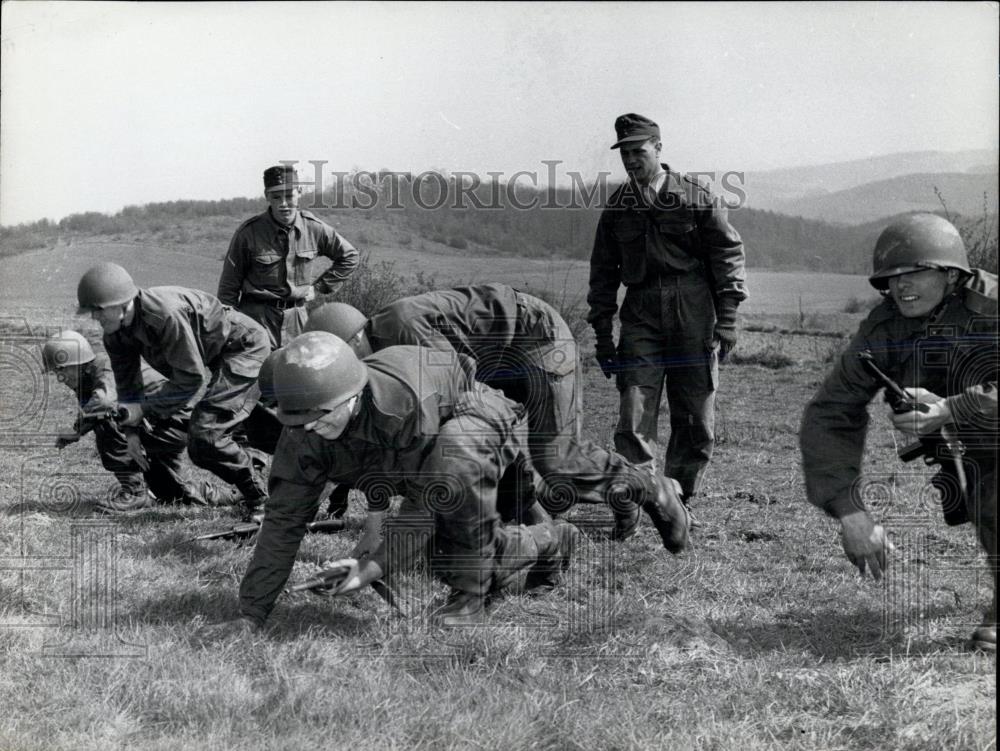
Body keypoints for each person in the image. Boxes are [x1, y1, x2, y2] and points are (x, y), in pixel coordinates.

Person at [229, 332, 651, 631]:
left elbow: (422, 507)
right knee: (439, 560)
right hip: (420, 457)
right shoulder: (306, 424)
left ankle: (552, 540)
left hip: (474, 422)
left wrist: (368, 569)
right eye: (299, 423)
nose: (312, 430)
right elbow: (283, 522)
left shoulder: (405, 406)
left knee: (464, 543)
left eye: (322, 418)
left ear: (351, 397)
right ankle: (544, 539)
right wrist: (252, 613)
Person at [302, 284, 689, 546]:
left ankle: (654, 489)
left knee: (556, 458)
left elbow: (459, 393)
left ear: (353, 340)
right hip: (500, 360)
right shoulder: (379, 349)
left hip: (537, 339)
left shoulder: (403, 332)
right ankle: (603, 505)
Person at [800, 213, 997, 653]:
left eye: (914, 273)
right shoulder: (886, 328)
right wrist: (850, 510)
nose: (900, 287)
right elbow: (832, 413)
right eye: (891, 278)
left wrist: (951, 408)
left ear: (950, 274)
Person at [587, 113, 748, 521]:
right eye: (624, 153)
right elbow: (603, 274)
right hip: (640, 310)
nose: (630, 160)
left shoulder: (696, 196)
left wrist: (727, 316)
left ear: (658, 148)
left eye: (638, 151)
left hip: (693, 308)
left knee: (695, 415)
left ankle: (678, 499)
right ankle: (639, 501)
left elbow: (727, 254)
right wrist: (603, 335)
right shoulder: (618, 207)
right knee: (634, 407)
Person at [76, 262, 272, 513]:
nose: (95, 318)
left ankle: (259, 499)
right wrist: (132, 433)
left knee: (206, 434)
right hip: (212, 355)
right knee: (222, 428)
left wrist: (144, 410)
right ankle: (256, 462)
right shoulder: (115, 333)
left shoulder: (165, 315)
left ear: (122, 303)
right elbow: (128, 387)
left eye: (99, 310)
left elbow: (190, 379)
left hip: (243, 347)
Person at [42, 330, 221, 511]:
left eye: (62, 369)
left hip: (174, 426)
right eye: (55, 371)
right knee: (173, 495)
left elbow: (104, 404)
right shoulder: (86, 377)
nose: (60, 377)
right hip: (159, 425)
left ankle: (134, 492)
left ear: (80, 362)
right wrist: (77, 432)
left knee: (106, 419)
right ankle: (236, 496)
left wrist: (76, 430)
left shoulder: (106, 367)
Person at [216, 164, 360, 348]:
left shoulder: (313, 228)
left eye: (289, 196)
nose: (284, 204)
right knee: (254, 374)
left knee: (295, 373)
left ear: (299, 192)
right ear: (267, 196)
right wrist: (232, 329)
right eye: (277, 197)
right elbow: (228, 290)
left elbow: (349, 257)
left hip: (297, 323)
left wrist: (319, 287)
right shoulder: (249, 233)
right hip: (256, 321)